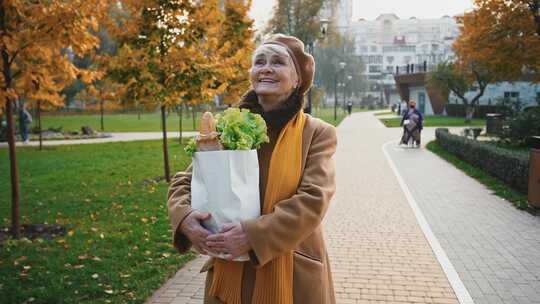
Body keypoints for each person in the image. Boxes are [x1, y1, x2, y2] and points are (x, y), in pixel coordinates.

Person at [168, 34, 337, 304]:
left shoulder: (316, 133)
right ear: (251, 73)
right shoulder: (227, 126)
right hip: (230, 267)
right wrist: (185, 218)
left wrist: (253, 235)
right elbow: (186, 181)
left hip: (291, 271)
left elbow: (314, 200)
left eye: (278, 62)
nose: (266, 68)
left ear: (297, 81)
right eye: (260, 61)